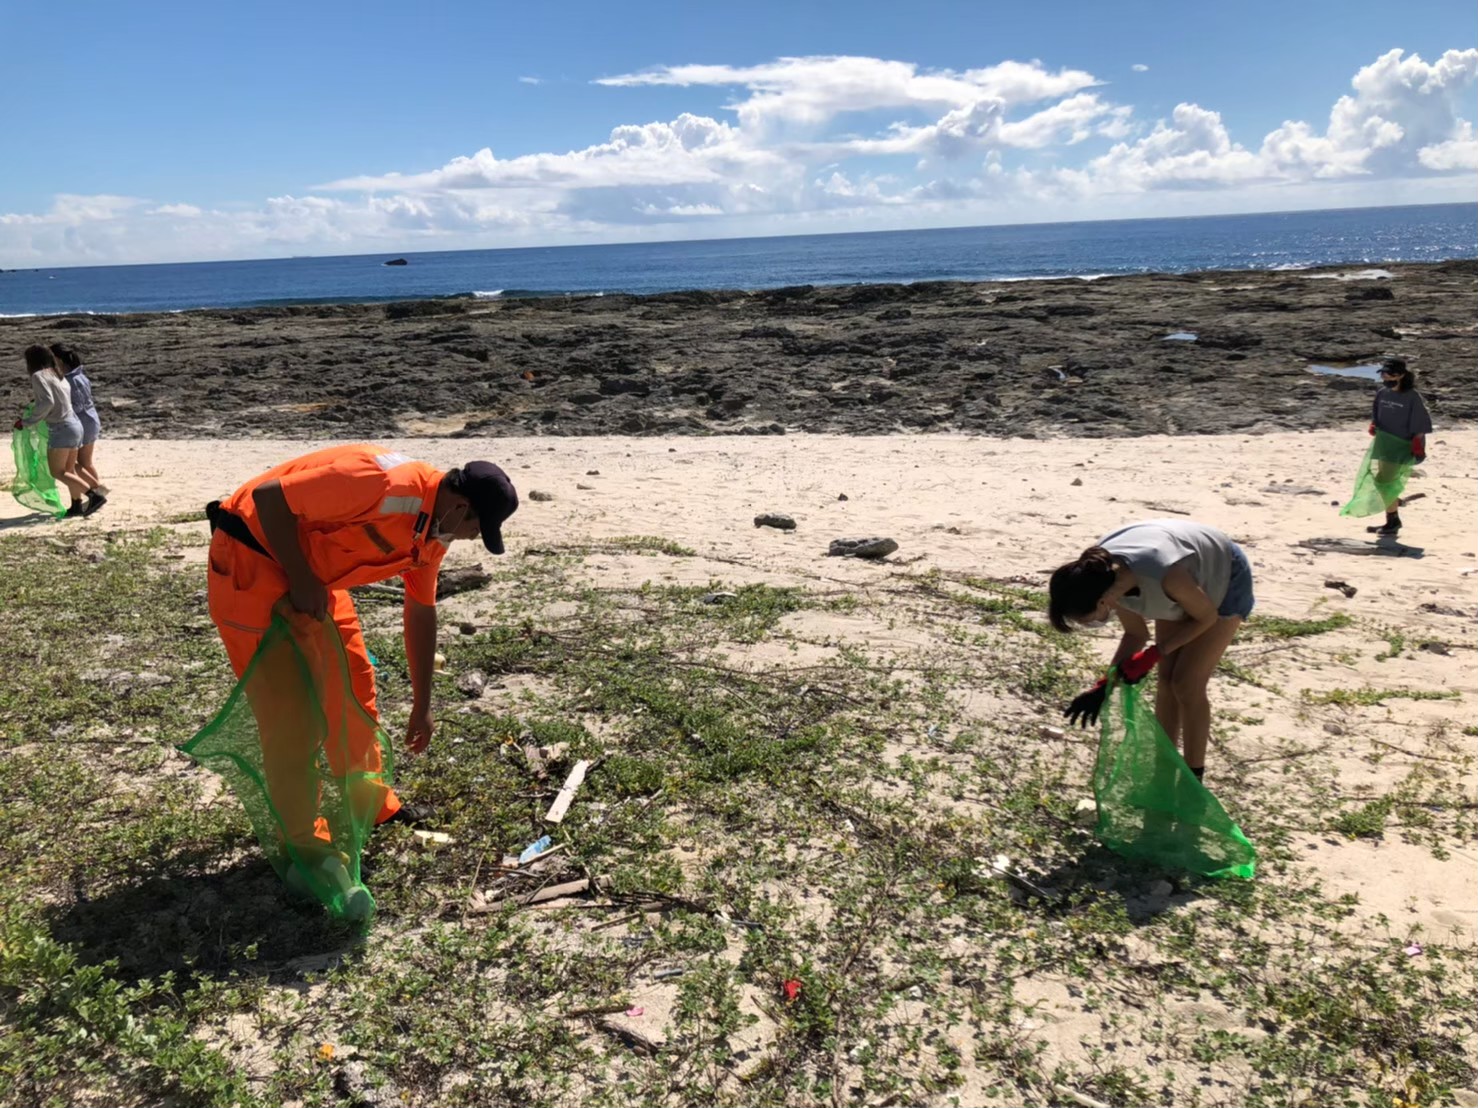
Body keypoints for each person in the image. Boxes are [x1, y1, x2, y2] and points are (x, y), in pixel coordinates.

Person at [205, 445, 518, 857]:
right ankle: (302, 840)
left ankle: (369, 804)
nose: (472, 538)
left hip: (313, 576)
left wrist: (422, 705)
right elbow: (269, 497)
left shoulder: (434, 532)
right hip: (252, 558)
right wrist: (300, 579)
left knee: (353, 684)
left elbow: (420, 612)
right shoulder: (380, 482)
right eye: (477, 530)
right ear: (461, 508)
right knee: (292, 714)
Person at [1048, 519, 1255, 781]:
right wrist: (1104, 685)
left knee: (1186, 684)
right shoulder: (1102, 578)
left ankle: (1193, 778)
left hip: (1222, 574)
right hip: (1182, 569)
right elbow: (1136, 634)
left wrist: (1154, 654)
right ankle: (1164, 770)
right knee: (1167, 683)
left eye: (1089, 620)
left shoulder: (1162, 575)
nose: (1094, 623)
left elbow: (1206, 618)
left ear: (1103, 601)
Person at [15, 345, 90, 517]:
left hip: (61, 428)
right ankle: (76, 506)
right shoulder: (58, 375)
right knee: (69, 471)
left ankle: (93, 495)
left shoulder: (38, 376)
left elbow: (47, 402)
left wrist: (28, 421)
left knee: (57, 471)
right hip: (75, 425)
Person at [1364, 356, 1432, 536]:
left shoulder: (1412, 397)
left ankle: (1393, 521)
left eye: (1389, 374)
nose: (1385, 378)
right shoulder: (1382, 393)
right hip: (1384, 443)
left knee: (1385, 482)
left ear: (1400, 375)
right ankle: (1393, 517)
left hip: (1402, 445)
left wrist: (1418, 446)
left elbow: (1421, 424)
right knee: (1382, 481)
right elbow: (1376, 412)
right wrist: (1374, 424)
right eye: (1383, 374)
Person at [50, 343, 107, 515]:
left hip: (81, 423)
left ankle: (97, 493)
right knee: (83, 463)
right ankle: (84, 500)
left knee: (72, 466)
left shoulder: (70, 380)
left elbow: (76, 405)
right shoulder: (79, 375)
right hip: (90, 420)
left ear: (58, 359)